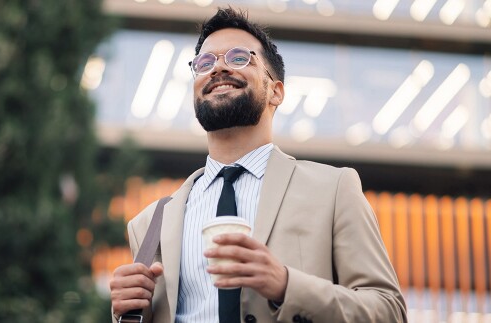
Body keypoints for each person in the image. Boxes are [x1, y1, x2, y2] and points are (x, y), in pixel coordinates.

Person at [109, 7, 407, 323]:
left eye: (239, 58)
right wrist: (124, 313)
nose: (218, 68)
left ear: (276, 92)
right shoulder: (150, 223)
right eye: (204, 63)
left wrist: (286, 285)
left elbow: (388, 311)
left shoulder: (334, 189)